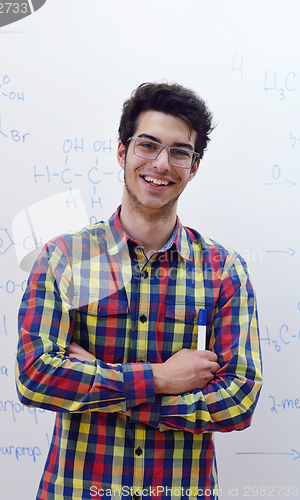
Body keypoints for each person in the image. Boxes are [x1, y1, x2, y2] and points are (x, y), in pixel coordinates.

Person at [16, 82, 263, 500]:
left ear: (194, 166)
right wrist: (163, 378)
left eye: (179, 151)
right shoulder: (64, 259)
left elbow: (238, 400)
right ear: (122, 152)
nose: (162, 163)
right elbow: (37, 377)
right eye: (148, 145)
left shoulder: (224, 272)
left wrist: (125, 395)